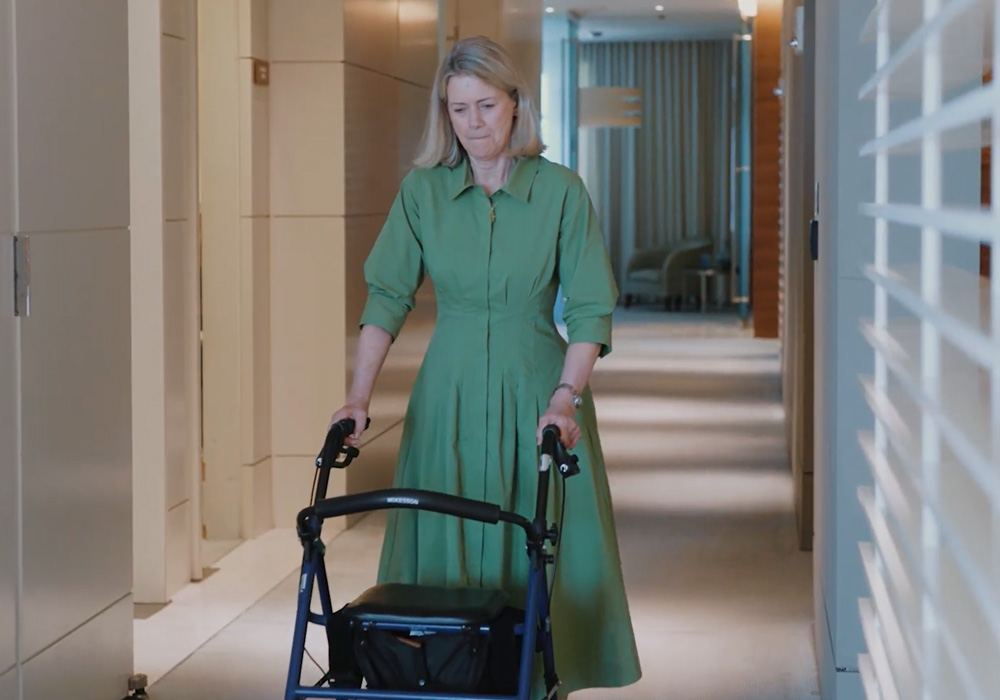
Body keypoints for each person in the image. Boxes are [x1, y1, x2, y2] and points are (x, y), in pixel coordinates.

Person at [328, 35, 641, 697]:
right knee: (447, 536)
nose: (473, 124)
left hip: (538, 393)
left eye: (486, 107)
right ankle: (446, 672)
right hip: (449, 393)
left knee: (540, 542)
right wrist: (357, 396)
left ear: (516, 106)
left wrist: (565, 398)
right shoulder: (423, 193)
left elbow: (589, 309)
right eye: (458, 110)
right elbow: (387, 296)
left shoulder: (560, 192)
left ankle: (537, 677)